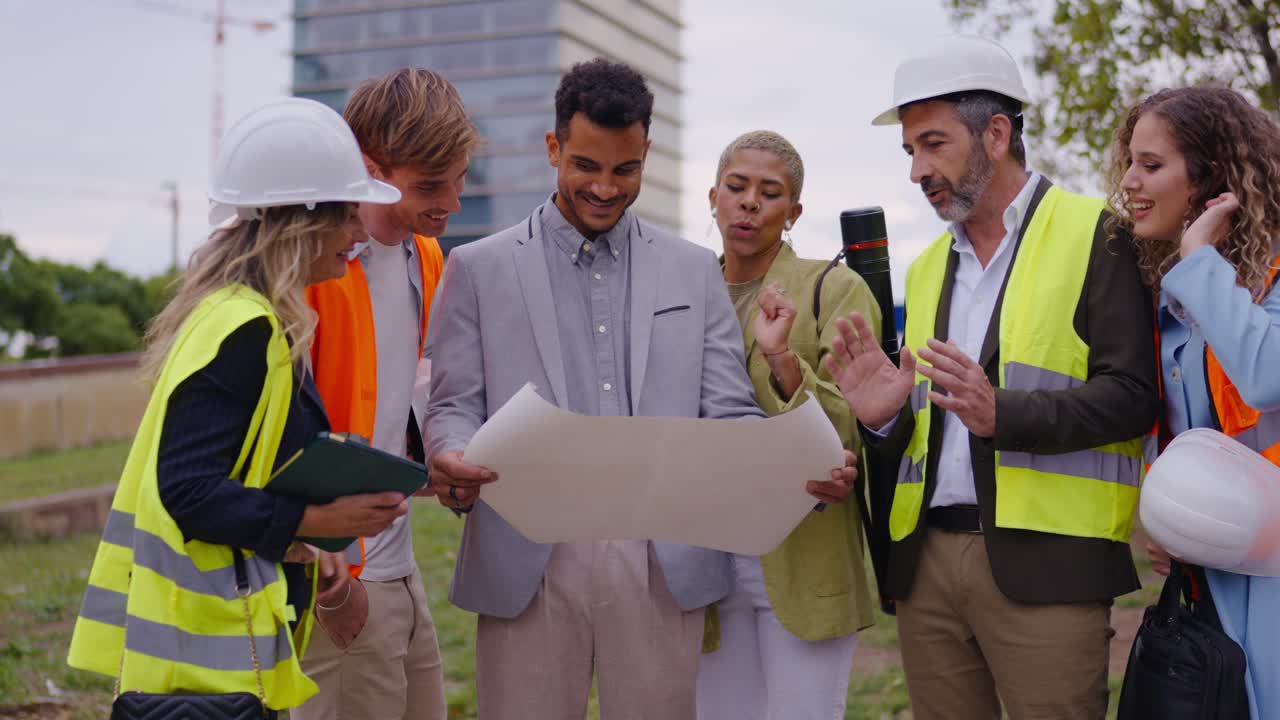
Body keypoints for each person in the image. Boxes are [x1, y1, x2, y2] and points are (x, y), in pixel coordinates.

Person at [423, 59, 857, 719]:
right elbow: (454, 405)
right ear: (552, 148)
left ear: (647, 153)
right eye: (585, 166)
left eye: (625, 169)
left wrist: (788, 464)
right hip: (527, 556)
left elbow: (729, 411)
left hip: (663, 562)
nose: (604, 187)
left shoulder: (691, 271)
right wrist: (450, 451)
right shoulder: (476, 268)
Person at [824, 35, 1160, 719]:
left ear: (997, 134)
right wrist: (885, 418)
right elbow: (926, 438)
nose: (917, 169)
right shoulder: (924, 271)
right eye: (910, 151)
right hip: (928, 573)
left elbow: (1133, 397)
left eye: (933, 144)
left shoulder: (1097, 234)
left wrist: (1002, 413)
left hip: (1050, 570)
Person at [66, 98, 408, 713]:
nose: (360, 235)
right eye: (349, 215)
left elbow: (234, 474)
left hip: (216, 659)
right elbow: (190, 490)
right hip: (206, 673)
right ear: (301, 220)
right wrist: (310, 522)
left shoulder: (258, 322)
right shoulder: (243, 330)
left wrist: (300, 544)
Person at [296, 67, 480, 720]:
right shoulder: (310, 269)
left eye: (458, 180)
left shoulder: (425, 257)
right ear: (369, 168)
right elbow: (277, 445)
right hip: (340, 579)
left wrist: (434, 465)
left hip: (400, 570)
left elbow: (395, 403)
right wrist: (330, 582)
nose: (451, 202)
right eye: (431, 185)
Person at [1108, 85, 1280, 720]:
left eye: (1150, 165)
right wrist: (1172, 518)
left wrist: (1199, 256)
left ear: (1212, 179)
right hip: (1211, 578)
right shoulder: (1170, 299)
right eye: (1129, 161)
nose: (1128, 181)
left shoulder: (1260, 275)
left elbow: (1266, 374)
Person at [695, 130, 879, 720]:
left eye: (770, 192)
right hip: (706, 566)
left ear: (793, 211)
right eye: (737, 186)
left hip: (805, 553)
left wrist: (782, 361)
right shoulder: (683, 292)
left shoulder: (834, 286)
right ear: (713, 197)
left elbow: (850, 430)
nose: (750, 202)